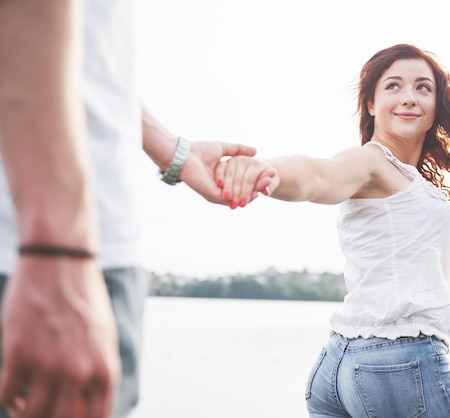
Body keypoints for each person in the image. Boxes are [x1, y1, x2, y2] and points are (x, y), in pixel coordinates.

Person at [216, 43, 450, 418]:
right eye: (393, 86)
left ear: (436, 107)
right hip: (396, 361)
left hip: (340, 365)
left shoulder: (405, 176)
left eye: (422, 88)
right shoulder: (370, 160)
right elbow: (317, 175)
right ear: (372, 104)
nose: (409, 97)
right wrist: (266, 170)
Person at [0, 1, 272, 418]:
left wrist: (174, 153)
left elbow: (89, 57)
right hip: (44, 256)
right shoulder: (53, 252)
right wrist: (54, 245)